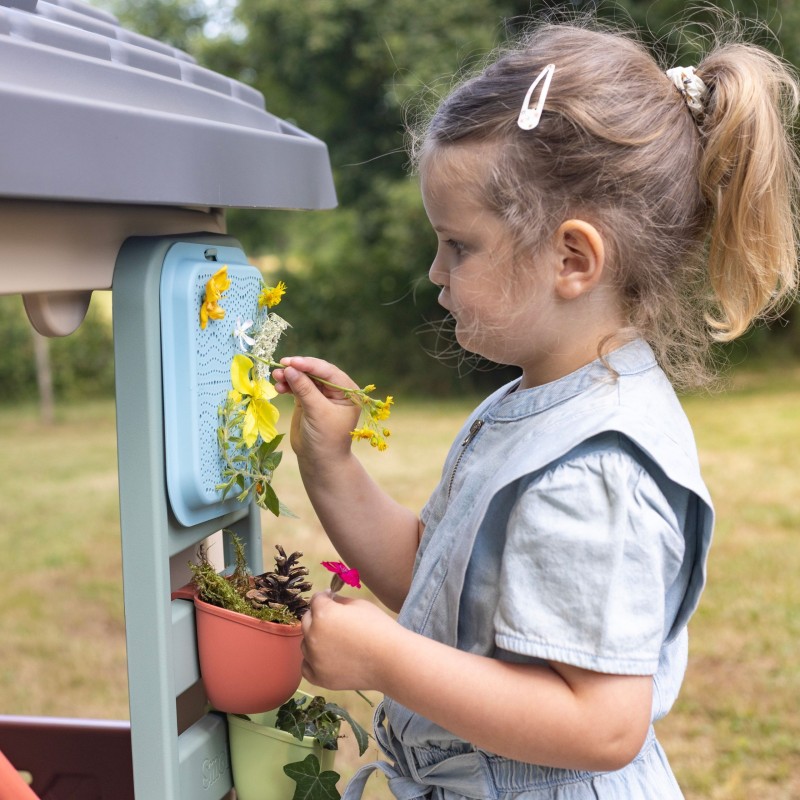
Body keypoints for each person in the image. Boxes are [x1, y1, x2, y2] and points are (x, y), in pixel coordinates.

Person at [271, 18, 799, 800]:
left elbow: (602, 725)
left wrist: (386, 661)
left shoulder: (597, 467)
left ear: (572, 259)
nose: (435, 271)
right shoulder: (532, 408)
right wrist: (331, 464)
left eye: (460, 245)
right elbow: (440, 587)